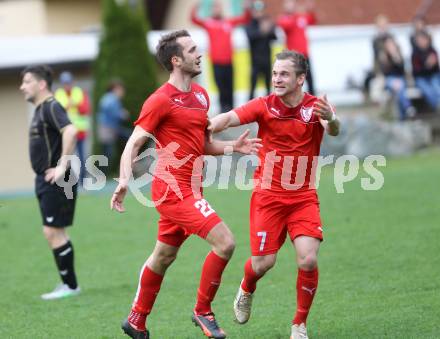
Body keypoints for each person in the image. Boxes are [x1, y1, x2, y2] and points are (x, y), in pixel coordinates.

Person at [111, 30, 261, 339]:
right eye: (193, 49)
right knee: (226, 242)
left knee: (163, 256)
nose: (199, 53)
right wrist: (125, 180)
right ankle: (203, 311)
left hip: (192, 189)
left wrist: (235, 148)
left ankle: (136, 320)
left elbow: (202, 144)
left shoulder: (201, 96)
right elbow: (134, 142)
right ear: (176, 60)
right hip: (172, 190)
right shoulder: (160, 100)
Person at [209, 50, 340, 339]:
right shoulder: (263, 105)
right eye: (274, 73)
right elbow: (229, 118)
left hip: (303, 196)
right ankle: (246, 286)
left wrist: (332, 117)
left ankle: (299, 325)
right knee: (263, 263)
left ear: (300, 79)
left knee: (308, 260)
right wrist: (202, 128)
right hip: (268, 197)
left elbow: (333, 129)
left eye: (284, 74)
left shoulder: (315, 107)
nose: (277, 79)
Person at [20, 65, 80, 300]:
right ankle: (69, 285)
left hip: (57, 178)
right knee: (54, 232)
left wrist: (62, 166)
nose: (22, 86)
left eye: (26, 81)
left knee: (52, 231)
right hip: (46, 179)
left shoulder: (51, 106)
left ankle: (71, 286)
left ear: (41, 84)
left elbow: (71, 131)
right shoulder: (39, 110)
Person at [191, 0, 251, 112]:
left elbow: (245, 19)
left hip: (229, 61)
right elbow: (194, 19)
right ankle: (223, 109)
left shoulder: (228, 22)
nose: (217, 10)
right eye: (215, 7)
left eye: (219, 7)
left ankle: (231, 109)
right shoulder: (209, 23)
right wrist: (196, 6)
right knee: (220, 86)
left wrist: (246, 7)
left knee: (230, 85)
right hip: (216, 62)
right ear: (211, 10)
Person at [55, 71, 90, 185]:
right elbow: (56, 112)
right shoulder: (58, 94)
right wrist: (67, 106)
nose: (67, 85)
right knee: (66, 158)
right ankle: (67, 182)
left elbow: (85, 109)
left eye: (69, 83)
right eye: (65, 83)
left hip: (79, 132)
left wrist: (74, 105)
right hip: (65, 133)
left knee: (81, 158)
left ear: (72, 82)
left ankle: (83, 183)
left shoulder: (79, 92)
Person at [277, 0, 316, 95]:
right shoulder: (283, 18)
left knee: (309, 78)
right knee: (294, 80)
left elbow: (312, 20)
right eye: (288, 4)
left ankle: (312, 101)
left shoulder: (301, 17)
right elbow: (287, 26)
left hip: (305, 54)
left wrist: (310, 9)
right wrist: (296, 15)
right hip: (293, 57)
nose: (291, 6)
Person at [378, 35, 416, 120]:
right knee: (398, 86)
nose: (390, 46)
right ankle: (408, 107)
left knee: (399, 89)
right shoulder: (383, 56)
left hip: (400, 79)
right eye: (388, 45)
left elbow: (402, 70)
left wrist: (396, 57)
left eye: (391, 44)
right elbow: (385, 73)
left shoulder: (399, 55)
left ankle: (402, 118)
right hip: (389, 80)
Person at [245, 0, 277, 100]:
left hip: (267, 60)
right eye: (257, 11)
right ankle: (248, 110)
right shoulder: (250, 24)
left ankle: (269, 107)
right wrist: (262, 31)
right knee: (252, 88)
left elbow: (274, 37)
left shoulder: (266, 22)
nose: (259, 13)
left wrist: (270, 28)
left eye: (261, 10)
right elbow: (250, 36)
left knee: (268, 87)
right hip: (255, 62)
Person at [97, 79, 131, 168]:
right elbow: (110, 110)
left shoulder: (108, 97)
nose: (122, 92)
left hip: (110, 128)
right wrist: (121, 114)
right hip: (108, 129)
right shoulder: (111, 98)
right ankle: (104, 173)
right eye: (121, 90)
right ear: (116, 89)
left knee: (107, 152)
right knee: (108, 153)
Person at [411, 30, 440, 111]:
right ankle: (437, 107)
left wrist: (434, 64)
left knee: (437, 88)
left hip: (432, 76)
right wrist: (427, 65)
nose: (421, 42)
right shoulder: (415, 53)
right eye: (419, 41)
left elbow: (436, 70)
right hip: (421, 78)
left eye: (422, 40)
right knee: (428, 91)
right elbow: (416, 71)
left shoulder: (432, 51)